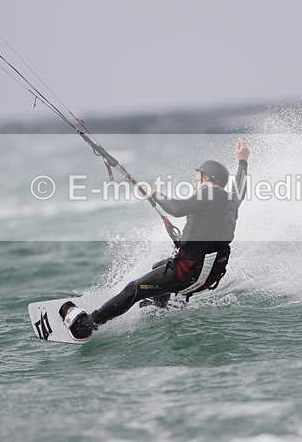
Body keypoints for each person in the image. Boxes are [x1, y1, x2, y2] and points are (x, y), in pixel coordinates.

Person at [60, 139, 251, 339]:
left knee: (135, 288)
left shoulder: (208, 192)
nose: (195, 181)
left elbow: (177, 208)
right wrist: (243, 161)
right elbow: (240, 186)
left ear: (206, 177)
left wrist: (154, 193)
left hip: (189, 273)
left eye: (197, 177)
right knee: (158, 267)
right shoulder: (231, 199)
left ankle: (86, 325)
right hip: (209, 274)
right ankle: (159, 309)